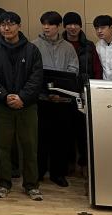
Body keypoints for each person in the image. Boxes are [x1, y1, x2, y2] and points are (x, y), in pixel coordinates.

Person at [0, 11, 44, 201]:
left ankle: (31, 185)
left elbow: (36, 78)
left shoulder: (32, 50)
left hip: (27, 105)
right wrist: (5, 96)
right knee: (2, 146)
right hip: (2, 105)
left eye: (11, 24)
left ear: (19, 26)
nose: (6, 28)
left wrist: (22, 97)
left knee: (29, 146)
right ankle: (3, 183)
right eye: (3, 25)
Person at [32, 11, 79, 188]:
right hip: (41, 100)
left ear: (58, 26)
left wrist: (61, 92)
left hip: (63, 101)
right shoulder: (34, 45)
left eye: (50, 24)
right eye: (44, 24)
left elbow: (73, 70)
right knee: (40, 138)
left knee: (61, 139)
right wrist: (45, 92)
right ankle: (38, 172)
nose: (46, 27)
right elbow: (32, 73)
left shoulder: (68, 47)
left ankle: (58, 174)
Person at [62, 11, 100, 176]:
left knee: (84, 131)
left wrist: (94, 89)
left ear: (80, 26)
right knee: (66, 131)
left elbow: (97, 69)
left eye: (76, 24)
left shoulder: (89, 45)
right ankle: (69, 162)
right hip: (65, 93)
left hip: (84, 93)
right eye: (69, 24)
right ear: (64, 26)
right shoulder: (60, 44)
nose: (72, 27)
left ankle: (84, 163)